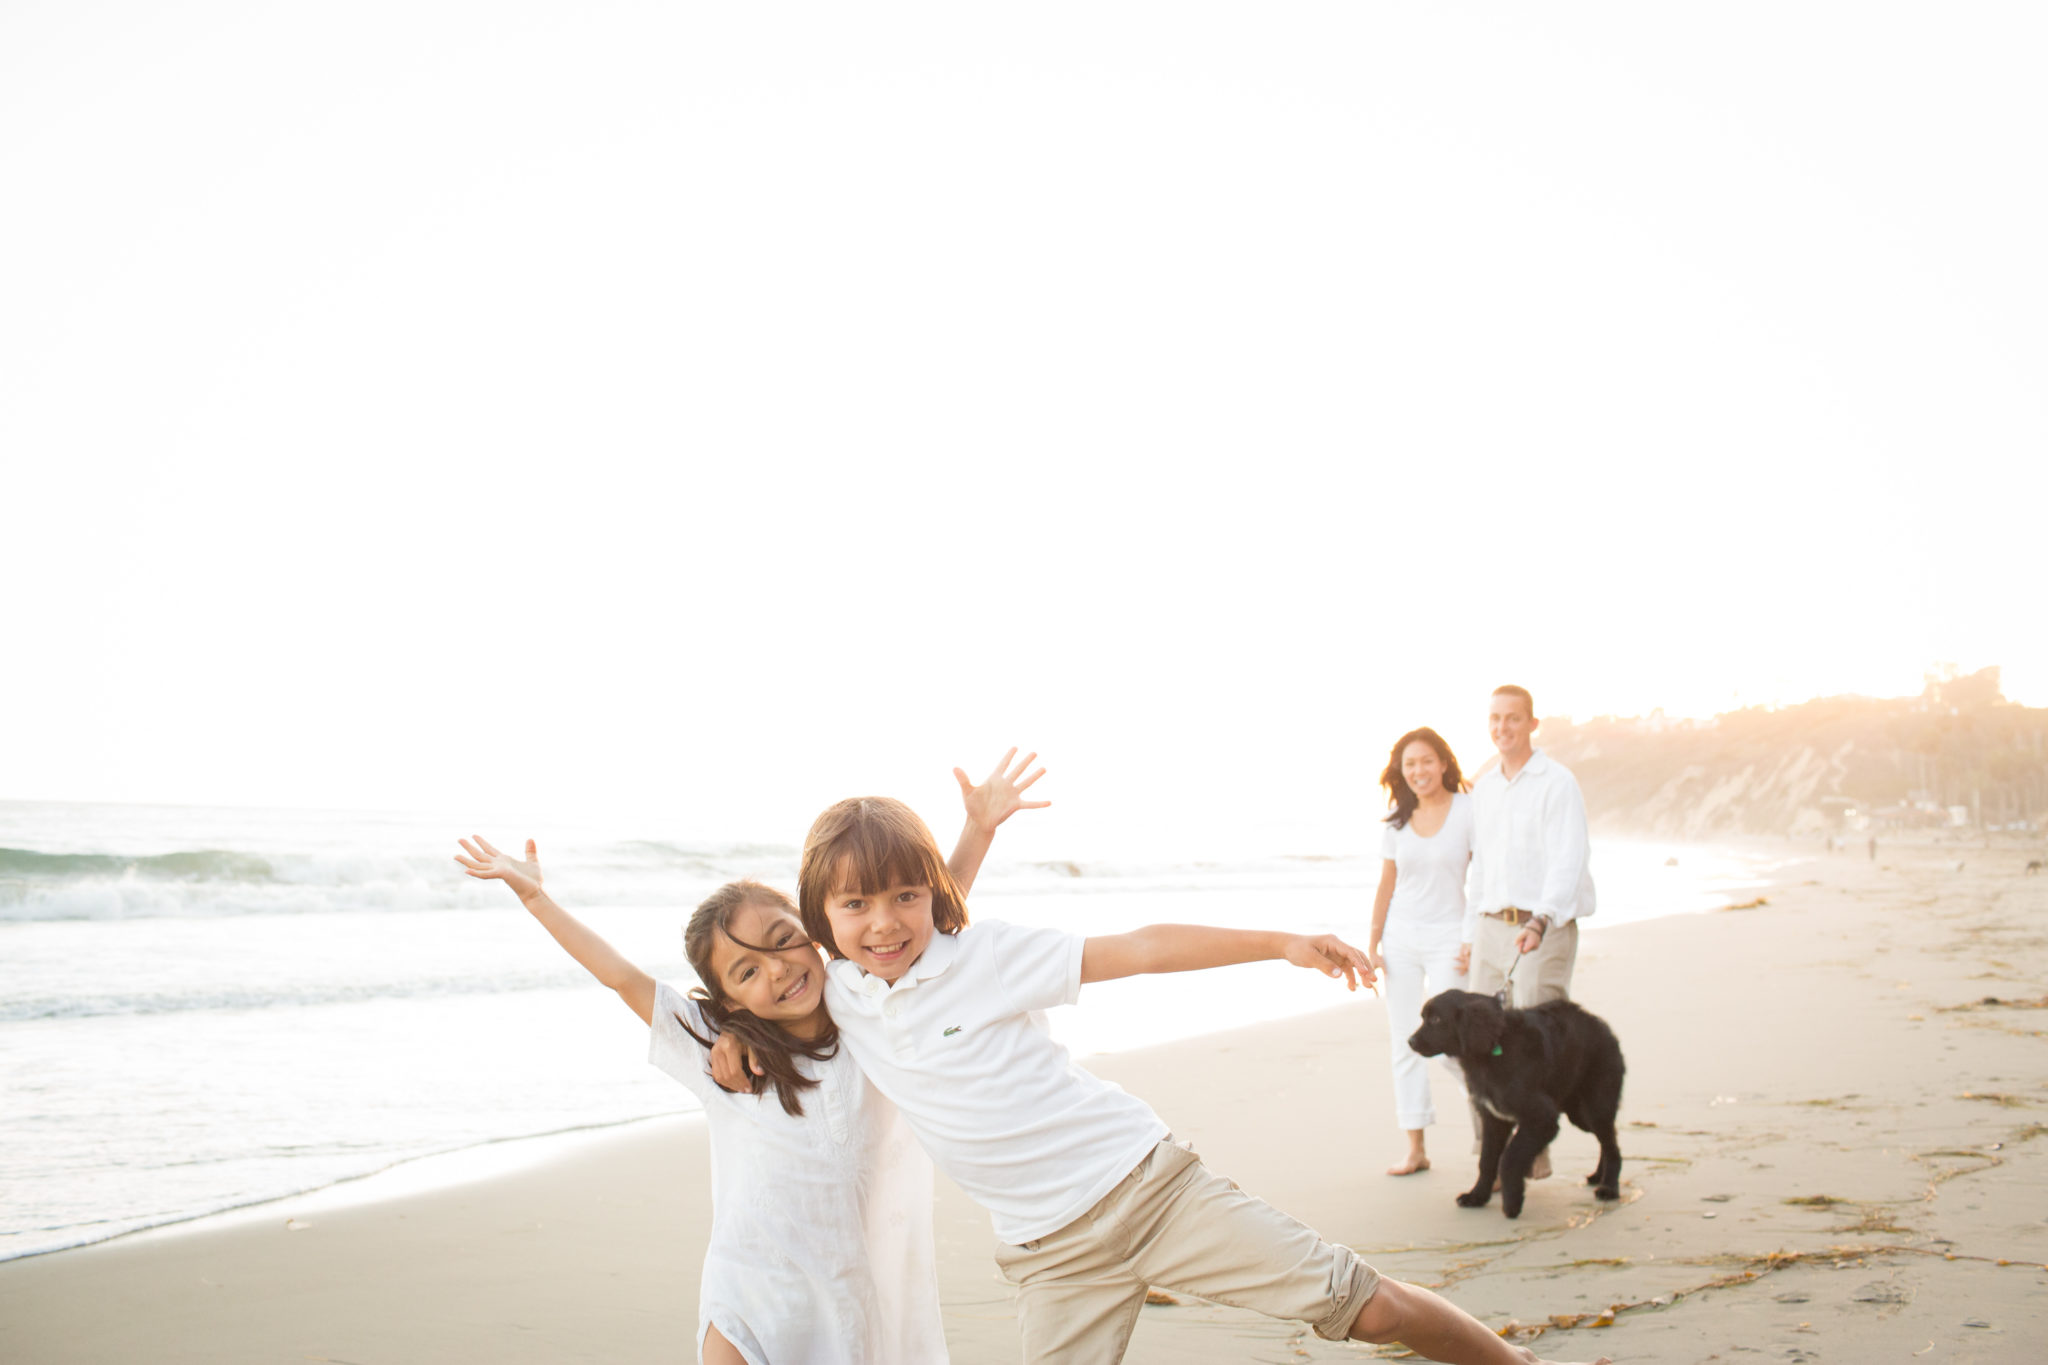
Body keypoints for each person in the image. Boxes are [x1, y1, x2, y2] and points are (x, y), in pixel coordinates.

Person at [714, 796, 1609, 1365]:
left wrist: (1281, 942)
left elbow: (1138, 949)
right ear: (822, 920)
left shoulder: (987, 955)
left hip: (1149, 1190)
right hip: (1049, 1256)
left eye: (905, 898)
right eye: (855, 907)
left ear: (932, 896)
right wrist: (729, 1037)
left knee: (1367, 1310)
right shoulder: (838, 990)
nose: (883, 924)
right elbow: (752, 984)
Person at [455, 749, 1048, 1365]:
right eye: (746, 970)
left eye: (784, 941)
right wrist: (535, 900)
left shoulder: (870, 1009)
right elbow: (622, 979)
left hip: (859, 1293)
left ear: (815, 933)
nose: (778, 969)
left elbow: (908, 927)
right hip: (751, 1293)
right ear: (727, 1002)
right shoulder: (715, 1051)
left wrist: (978, 830)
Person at [1460, 685, 1595, 1182]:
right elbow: (1481, 866)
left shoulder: (1557, 783)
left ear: (1532, 724)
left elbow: (1568, 857)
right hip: (1491, 928)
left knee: (1538, 1044)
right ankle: (1489, 1159)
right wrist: (1469, 932)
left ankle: (1533, 1151)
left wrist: (1541, 918)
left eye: (1513, 719)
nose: (1502, 728)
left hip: (1545, 927)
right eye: (1495, 719)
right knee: (1476, 1045)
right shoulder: (1484, 787)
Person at [1367, 727, 1474, 1177]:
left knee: (1456, 1045)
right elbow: (1387, 884)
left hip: (1452, 937)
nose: (1418, 771)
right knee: (1405, 1043)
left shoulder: (1470, 810)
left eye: (1426, 761)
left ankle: (1491, 1124)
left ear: (1443, 763)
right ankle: (1416, 1148)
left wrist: (1472, 935)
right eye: (1410, 764)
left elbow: (1484, 875)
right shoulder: (1397, 820)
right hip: (1402, 941)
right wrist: (1372, 942)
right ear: (1401, 771)